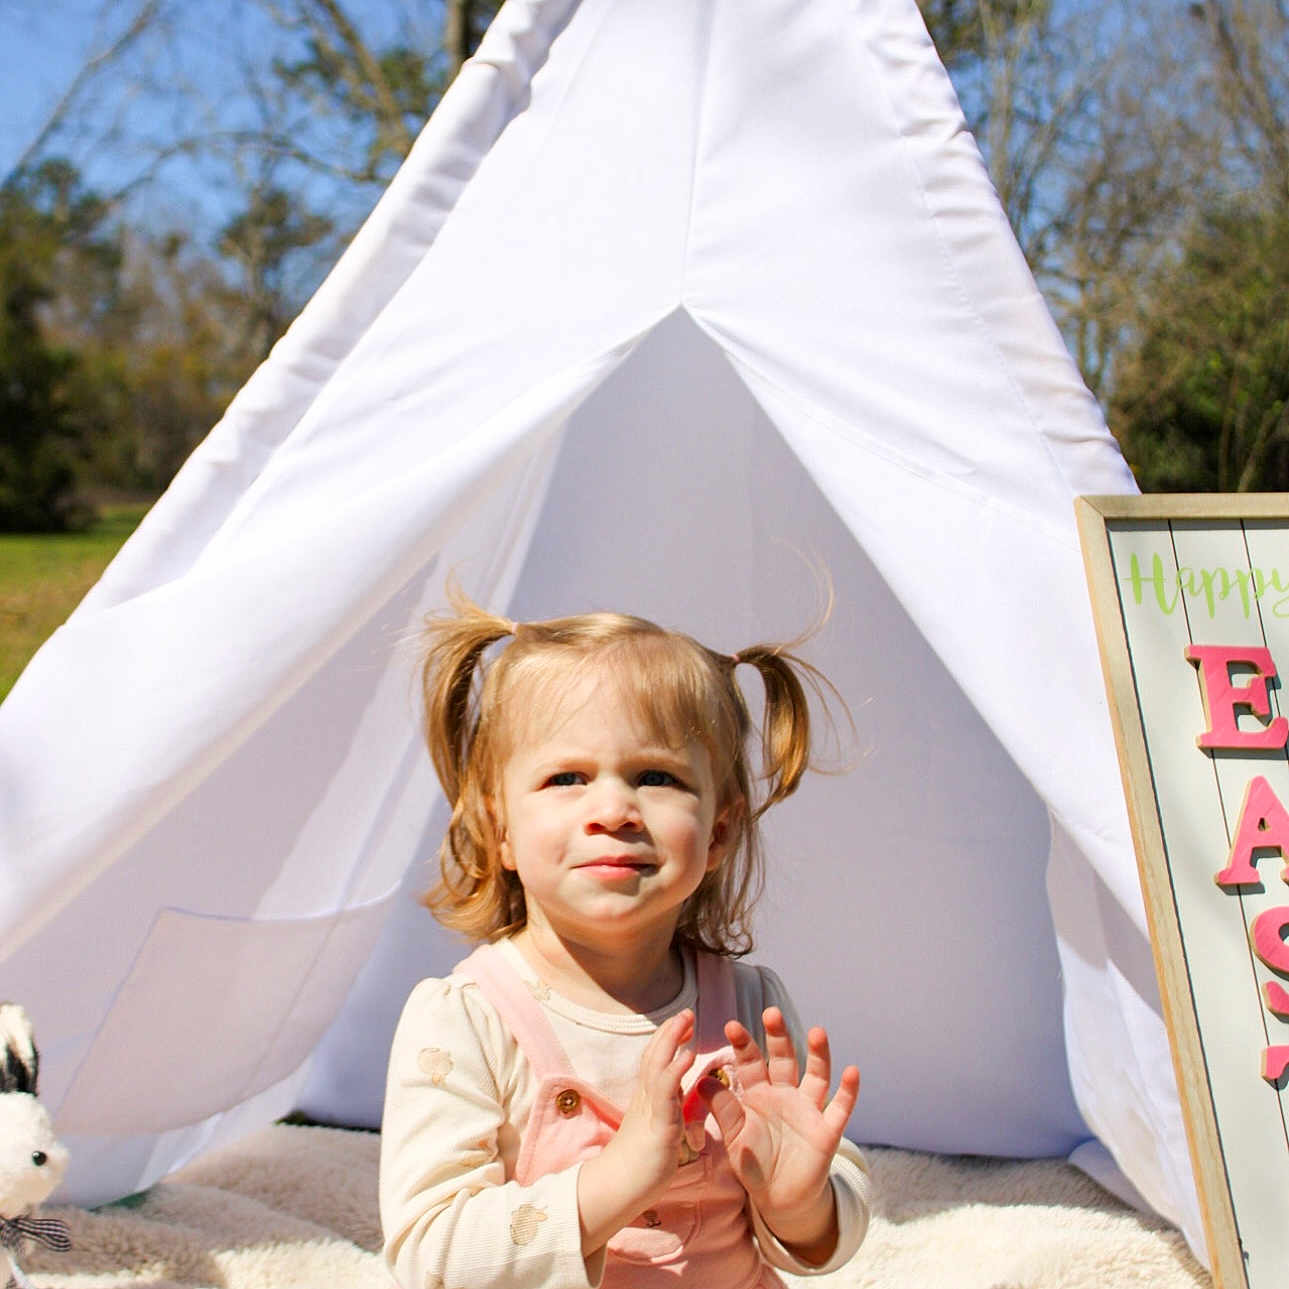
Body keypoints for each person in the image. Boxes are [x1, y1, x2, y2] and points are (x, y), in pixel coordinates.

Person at [380, 594, 871, 1288]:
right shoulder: (465, 1016)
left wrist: (801, 1204)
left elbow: (823, 1229)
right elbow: (429, 1256)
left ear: (718, 834)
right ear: (500, 831)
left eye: (656, 776)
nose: (612, 810)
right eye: (566, 778)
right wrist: (613, 1180)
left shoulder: (748, 1008)